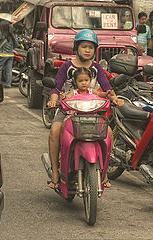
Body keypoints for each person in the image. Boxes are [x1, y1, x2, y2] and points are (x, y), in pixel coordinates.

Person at [47, 29, 123, 189]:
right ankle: (55, 171)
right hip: (68, 110)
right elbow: (56, 86)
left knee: (108, 134)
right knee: (55, 131)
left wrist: (114, 98)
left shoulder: (96, 68)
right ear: (77, 48)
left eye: (91, 47)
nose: (87, 50)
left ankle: (104, 172)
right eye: (84, 46)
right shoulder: (67, 66)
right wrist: (54, 99)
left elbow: (107, 88)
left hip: (92, 111)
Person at [0, 21, 18, 88]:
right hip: (11, 55)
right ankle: (8, 84)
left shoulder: (0, 34)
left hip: (3, 54)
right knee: (9, 70)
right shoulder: (12, 35)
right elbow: (16, 44)